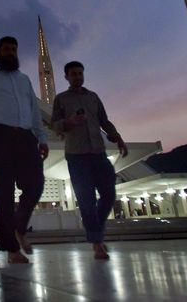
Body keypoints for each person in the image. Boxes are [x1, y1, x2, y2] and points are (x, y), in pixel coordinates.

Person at [0, 36, 49, 264]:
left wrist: (41, 137)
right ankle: (12, 250)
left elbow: (34, 112)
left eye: (14, 49)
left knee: (35, 185)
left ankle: (19, 228)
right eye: (6, 49)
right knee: (3, 193)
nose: (11, 52)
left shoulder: (25, 81)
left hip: (26, 137)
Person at [51, 61, 128, 260]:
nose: (77, 76)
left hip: (98, 152)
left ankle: (94, 226)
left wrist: (117, 137)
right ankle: (97, 242)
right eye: (73, 74)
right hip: (77, 155)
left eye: (80, 73)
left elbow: (104, 120)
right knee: (86, 201)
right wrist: (70, 122)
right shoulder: (61, 99)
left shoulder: (93, 97)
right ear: (66, 77)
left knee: (109, 194)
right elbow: (55, 125)